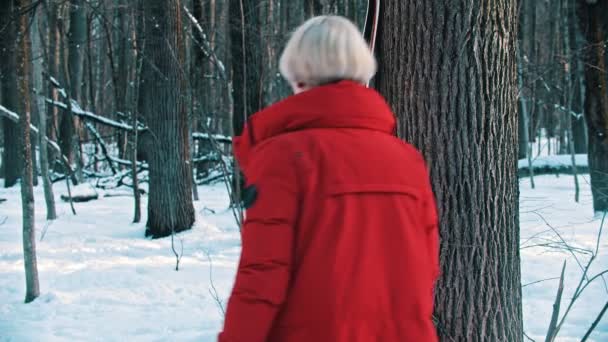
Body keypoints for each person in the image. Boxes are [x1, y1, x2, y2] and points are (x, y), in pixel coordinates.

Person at [219, 15, 439, 342]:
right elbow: (426, 268)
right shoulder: (407, 160)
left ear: (299, 73)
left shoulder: (283, 157)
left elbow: (262, 276)